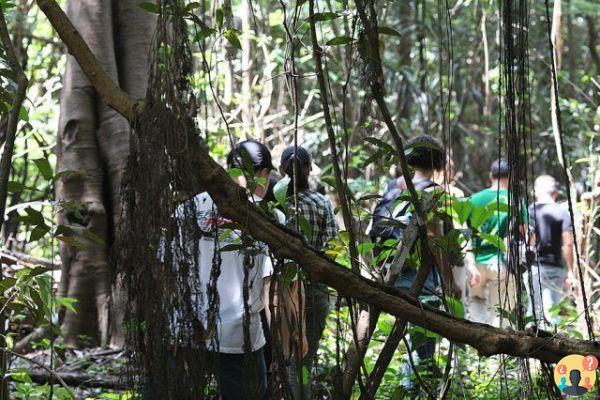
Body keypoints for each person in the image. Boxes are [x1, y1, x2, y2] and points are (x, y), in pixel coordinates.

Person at [193, 140, 276, 400]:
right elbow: (270, 291)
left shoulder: (188, 207)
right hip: (239, 334)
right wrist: (283, 345)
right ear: (261, 174)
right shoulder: (268, 219)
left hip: (187, 330)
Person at [378, 136, 457, 394]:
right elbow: (437, 241)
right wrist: (449, 281)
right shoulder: (434, 191)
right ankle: (414, 390)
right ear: (438, 162)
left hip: (393, 273)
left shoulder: (393, 187)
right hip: (423, 280)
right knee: (422, 344)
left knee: (401, 336)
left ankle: (399, 387)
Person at [277, 145, 338, 400]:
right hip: (315, 291)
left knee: (284, 362)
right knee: (303, 362)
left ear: (281, 171)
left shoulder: (274, 206)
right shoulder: (321, 203)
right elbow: (333, 248)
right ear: (310, 169)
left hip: (279, 293)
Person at [467, 158, 520, 327]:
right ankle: (499, 351)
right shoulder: (515, 201)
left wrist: (470, 264)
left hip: (476, 263)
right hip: (502, 262)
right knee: (501, 311)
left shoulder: (474, 199)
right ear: (510, 177)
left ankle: (477, 347)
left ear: (491, 176)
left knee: (476, 303)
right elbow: (526, 233)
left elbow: (465, 234)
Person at [527, 175, 574, 327]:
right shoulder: (562, 212)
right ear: (555, 193)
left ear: (536, 192)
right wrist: (571, 271)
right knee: (552, 309)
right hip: (555, 267)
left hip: (534, 266)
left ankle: (530, 345)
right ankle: (550, 345)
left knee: (533, 308)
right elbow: (568, 243)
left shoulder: (530, 211)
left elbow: (528, 239)